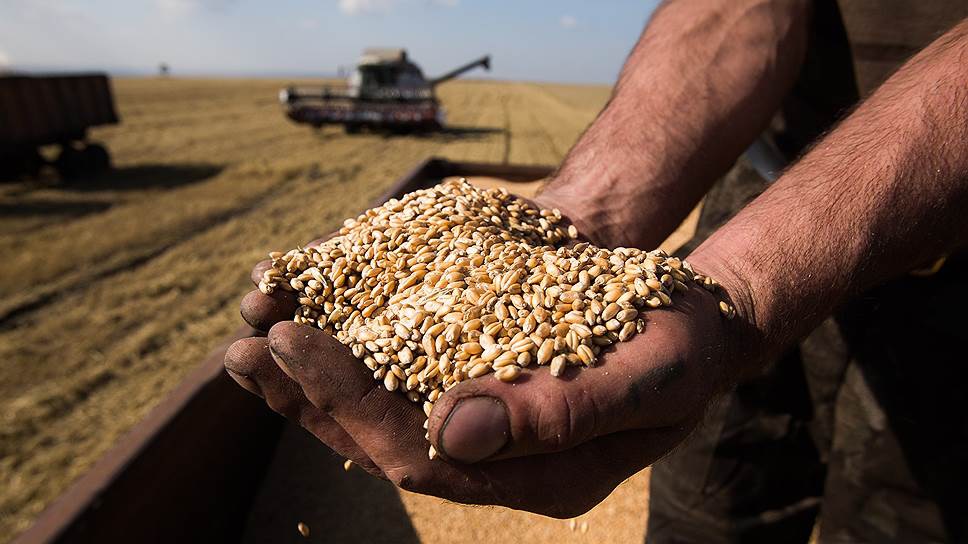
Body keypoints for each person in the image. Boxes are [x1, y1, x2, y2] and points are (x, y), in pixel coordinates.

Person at [224, 1, 968, 541]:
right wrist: (577, 214)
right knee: (708, 499)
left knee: (906, 507)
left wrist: (743, 288)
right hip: (780, 169)